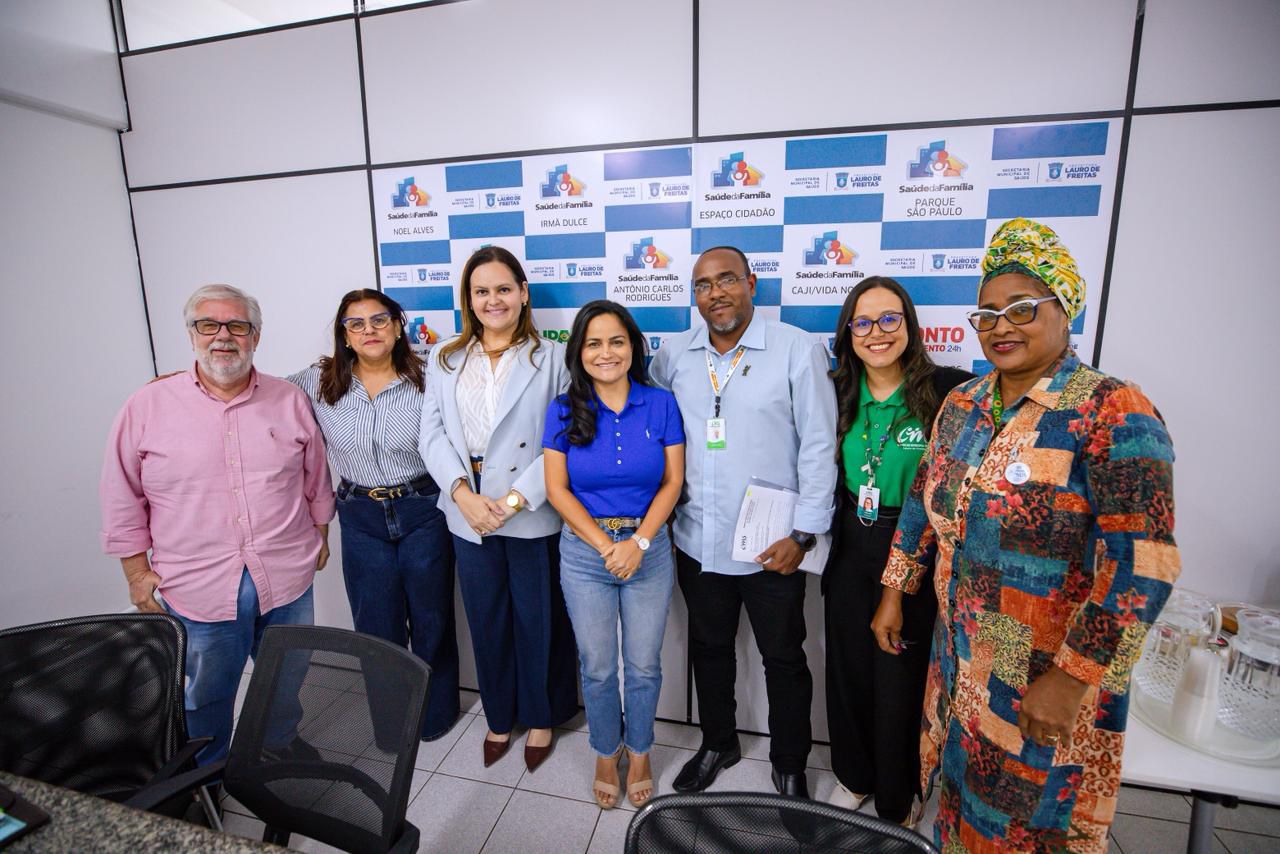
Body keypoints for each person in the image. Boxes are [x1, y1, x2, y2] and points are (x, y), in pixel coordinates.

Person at [873, 218, 1180, 850]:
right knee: (961, 801)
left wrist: (1072, 677)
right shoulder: (962, 403)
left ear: (1064, 309)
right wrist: (894, 589)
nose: (1001, 326)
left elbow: (1144, 566)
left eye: (1021, 308)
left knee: (1028, 822)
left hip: (1045, 673)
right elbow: (920, 500)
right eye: (986, 314)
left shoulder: (1112, 410)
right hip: (961, 654)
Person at [100, 284, 334, 764]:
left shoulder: (288, 400)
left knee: (286, 678)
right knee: (205, 692)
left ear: (256, 336)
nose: (223, 336)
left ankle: (278, 744)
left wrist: (321, 535)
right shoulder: (147, 406)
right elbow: (121, 494)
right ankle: (206, 773)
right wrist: (135, 575)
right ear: (192, 334)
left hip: (286, 577)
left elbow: (316, 479)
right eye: (209, 325)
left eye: (237, 326)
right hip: (198, 586)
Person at [650, 246, 837, 799]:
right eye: (703, 285)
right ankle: (718, 743)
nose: (715, 293)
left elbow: (819, 446)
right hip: (695, 538)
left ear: (751, 283)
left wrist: (803, 535)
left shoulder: (795, 349)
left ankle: (790, 761)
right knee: (708, 650)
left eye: (727, 279)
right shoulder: (674, 355)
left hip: (772, 544)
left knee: (783, 657)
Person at [417, 246, 577, 772]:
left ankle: (541, 716)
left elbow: (563, 439)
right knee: (486, 620)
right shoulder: (445, 357)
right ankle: (500, 715)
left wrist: (511, 502)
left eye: (504, 289)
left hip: (529, 505)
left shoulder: (551, 357)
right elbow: (432, 434)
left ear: (523, 293)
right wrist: (464, 495)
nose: (493, 300)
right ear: (468, 299)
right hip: (468, 508)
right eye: (481, 291)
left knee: (538, 619)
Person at [822, 277, 971, 825]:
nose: (876, 333)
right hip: (851, 539)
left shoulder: (952, 392)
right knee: (849, 668)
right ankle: (854, 776)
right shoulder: (836, 390)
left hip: (918, 547)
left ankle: (899, 794)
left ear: (908, 325)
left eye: (889, 319)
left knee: (901, 676)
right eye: (863, 322)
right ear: (848, 333)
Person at [289, 289, 459, 743]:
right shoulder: (317, 381)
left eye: (380, 320)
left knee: (431, 619)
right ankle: (390, 725)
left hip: (423, 507)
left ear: (399, 326)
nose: (369, 331)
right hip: (360, 513)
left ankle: (434, 715)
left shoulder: (429, 375)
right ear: (344, 335)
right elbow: (258, 395)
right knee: (376, 624)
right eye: (356, 323)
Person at [543, 300, 685, 810]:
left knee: (644, 665)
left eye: (617, 341)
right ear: (579, 352)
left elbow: (672, 482)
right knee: (599, 666)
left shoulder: (660, 403)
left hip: (649, 550)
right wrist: (608, 547)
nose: (606, 353)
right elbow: (557, 490)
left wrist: (640, 543)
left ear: (633, 347)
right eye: (594, 343)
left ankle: (640, 752)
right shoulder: (562, 409)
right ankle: (606, 751)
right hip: (586, 555)